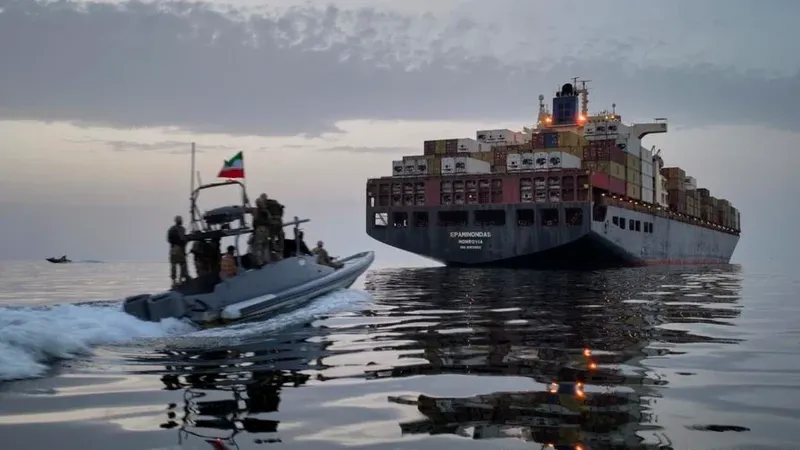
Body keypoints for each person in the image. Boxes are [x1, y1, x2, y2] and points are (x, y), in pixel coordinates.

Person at [166, 215, 190, 286]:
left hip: (176, 249)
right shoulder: (178, 229)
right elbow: (171, 239)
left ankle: (177, 280)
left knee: (176, 265)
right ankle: (178, 280)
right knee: (181, 264)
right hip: (178, 248)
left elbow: (169, 239)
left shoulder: (175, 229)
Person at [250, 195, 271, 266]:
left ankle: (259, 262)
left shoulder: (256, 211)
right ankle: (266, 260)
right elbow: (270, 219)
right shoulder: (266, 211)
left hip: (260, 230)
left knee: (258, 246)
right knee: (265, 246)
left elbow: (255, 220)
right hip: (266, 230)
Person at [264, 194, 285, 261]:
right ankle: (279, 252)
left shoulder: (268, 206)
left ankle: (278, 252)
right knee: (279, 237)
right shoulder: (276, 205)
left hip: (274, 226)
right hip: (277, 225)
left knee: (274, 238)